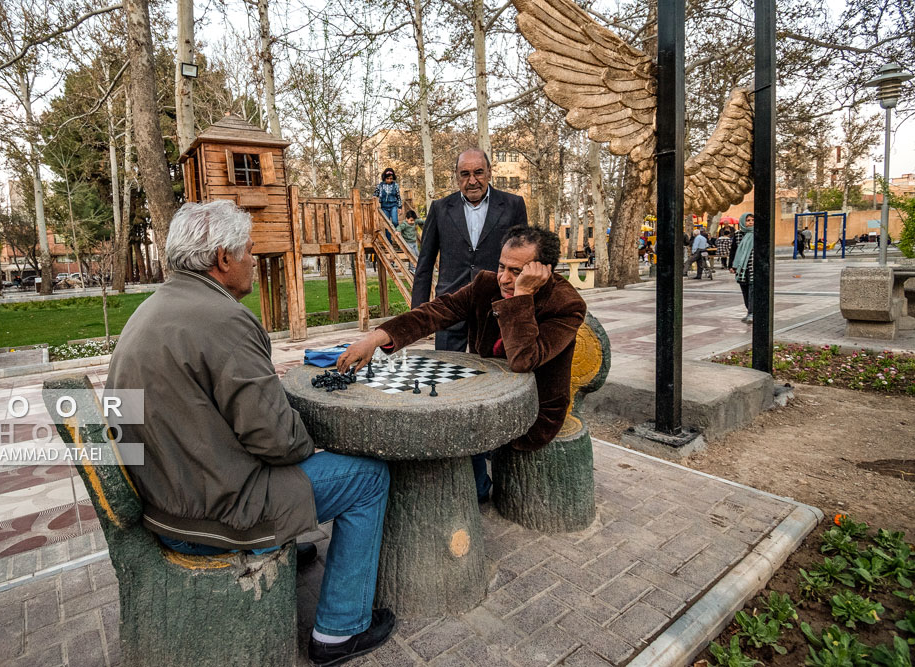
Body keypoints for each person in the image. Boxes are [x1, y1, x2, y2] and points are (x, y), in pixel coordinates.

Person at [106, 200, 395, 666]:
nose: (255, 263)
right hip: (211, 516)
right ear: (223, 258)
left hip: (163, 500)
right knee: (368, 477)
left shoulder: (149, 309)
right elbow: (278, 440)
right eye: (249, 252)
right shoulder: (226, 319)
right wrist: (315, 440)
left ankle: (288, 538)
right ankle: (340, 631)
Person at [339, 225, 585, 502]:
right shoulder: (485, 285)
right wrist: (375, 338)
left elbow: (523, 359)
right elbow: (436, 311)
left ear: (544, 271)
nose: (504, 278)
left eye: (517, 272)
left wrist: (522, 296)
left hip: (531, 409)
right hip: (483, 396)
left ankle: (473, 488)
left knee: (454, 436)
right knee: (436, 419)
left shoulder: (565, 305)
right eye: (501, 266)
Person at [411, 148, 528, 352]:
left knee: (491, 375)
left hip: (493, 306)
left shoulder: (513, 205)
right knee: (445, 373)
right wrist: (417, 315)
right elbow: (425, 264)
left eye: (478, 172)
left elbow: (523, 259)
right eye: (465, 174)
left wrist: (523, 301)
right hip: (449, 305)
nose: (472, 181)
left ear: (490, 172)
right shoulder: (440, 209)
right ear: (456, 177)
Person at [730, 212, 755, 324]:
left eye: (752, 220)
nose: (750, 222)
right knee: (744, 290)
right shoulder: (738, 234)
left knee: (752, 290)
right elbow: (734, 250)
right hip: (741, 267)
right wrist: (731, 266)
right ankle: (749, 311)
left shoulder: (757, 234)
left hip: (753, 266)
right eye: (748, 220)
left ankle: (752, 313)